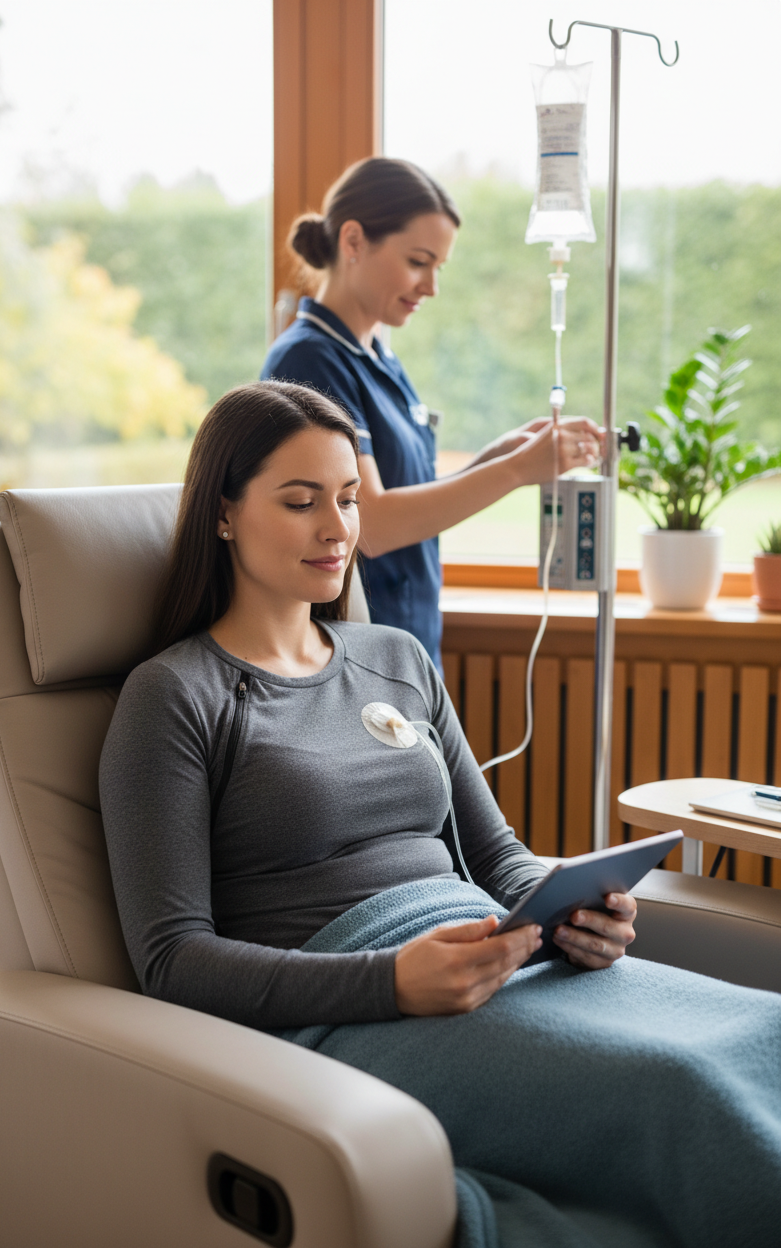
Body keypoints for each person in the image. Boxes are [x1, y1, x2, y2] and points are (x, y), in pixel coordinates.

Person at [100, 382, 781, 1248]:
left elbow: (497, 855)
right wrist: (390, 982)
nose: (338, 528)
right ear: (225, 514)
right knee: (684, 1085)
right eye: (301, 501)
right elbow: (171, 960)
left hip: (495, 952)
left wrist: (572, 907)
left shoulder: (396, 659)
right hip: (352, 1009)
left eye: (348, 499)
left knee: (761, 1032)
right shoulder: (173, 696)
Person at [261, 156, 603, 667]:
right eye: (419, 262)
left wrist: (497, 457)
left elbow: (406, 503)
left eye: (438, 268)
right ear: (353, 241)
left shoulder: (380, 357)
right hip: (356, 656)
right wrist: (516, 470)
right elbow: (371, 524)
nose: (431, 286)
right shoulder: (309, 361)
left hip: (409, 647)